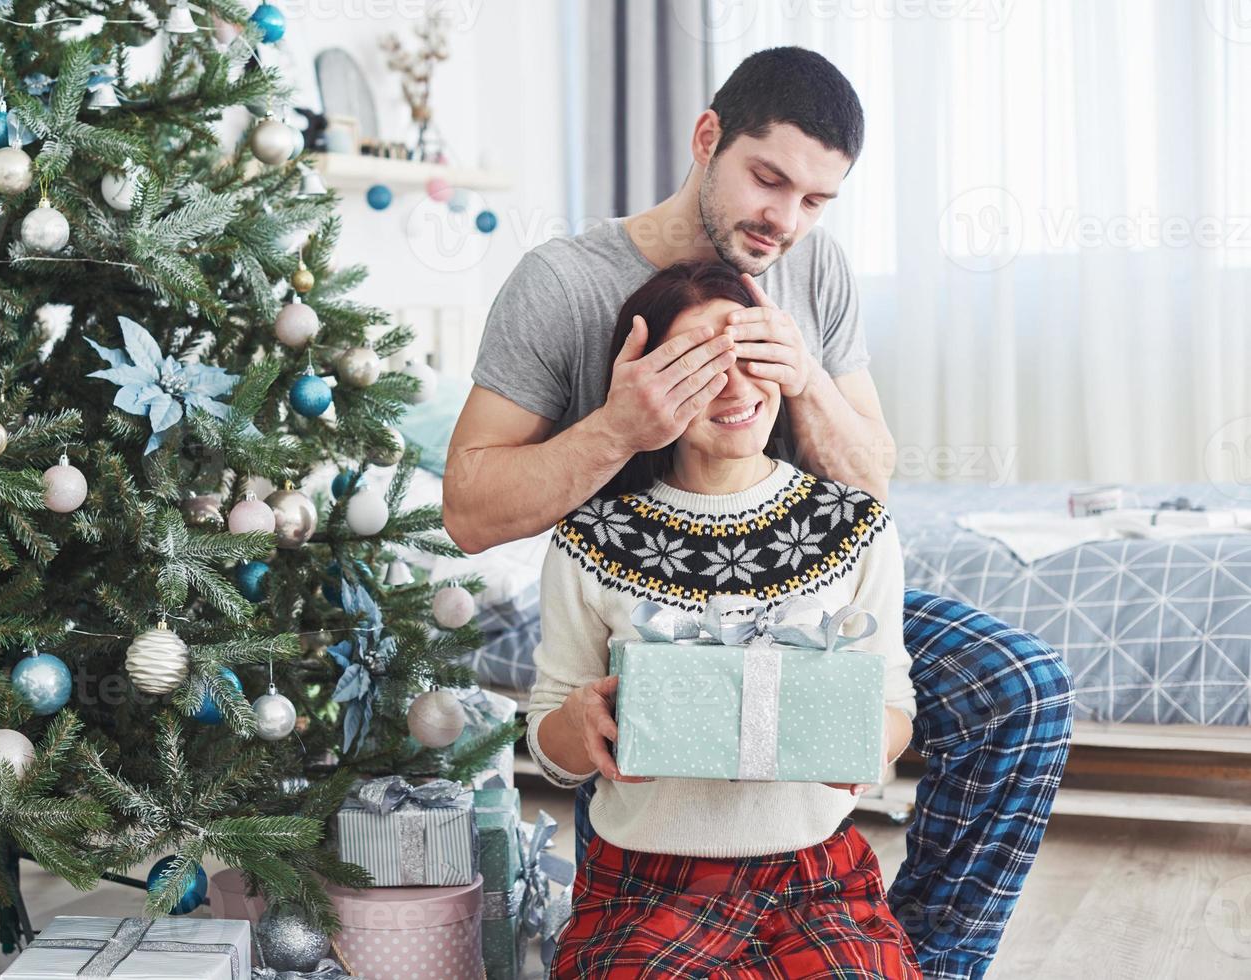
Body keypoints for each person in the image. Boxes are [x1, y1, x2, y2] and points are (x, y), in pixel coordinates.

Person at [444, 47, 1074, 980]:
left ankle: (923, 960)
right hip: (645, 605)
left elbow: (871, 484)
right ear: (708, 139)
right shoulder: (563, 283)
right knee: (651, 780)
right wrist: (620, 427)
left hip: (800, 596)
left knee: (1020, 690)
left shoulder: (813, 270)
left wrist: (807, 377)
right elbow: (467, 512)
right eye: (767, 179)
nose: (785, 219)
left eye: (816, 200)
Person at [532, 259, 922, 978]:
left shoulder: (857, 524)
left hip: (814, 880)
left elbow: (894, 703)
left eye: (752, 357)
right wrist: (583, 722)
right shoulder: (591, 537)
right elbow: (552, 746)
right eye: (702, 367)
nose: (737, 388)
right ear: (651, 383)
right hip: (643, 882)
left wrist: (866, 741)